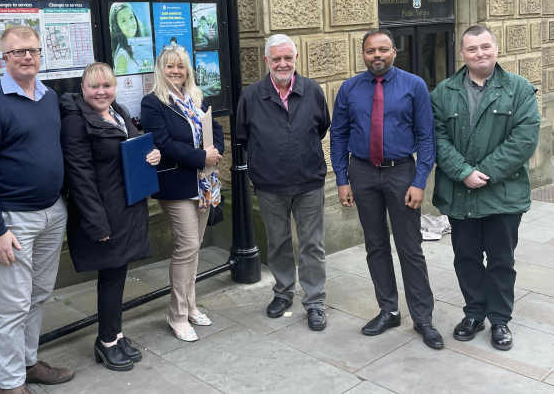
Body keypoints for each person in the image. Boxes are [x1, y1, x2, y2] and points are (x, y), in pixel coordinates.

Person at [0, 26, 74, 394]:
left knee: (40, 293)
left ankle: (29, 363)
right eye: (18, 52)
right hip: (13, 220)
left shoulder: (48, 96)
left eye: (32, 50)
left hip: (52, 212)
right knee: (14, 304)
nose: (27, 57)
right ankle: (11, 384)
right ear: (4, 58)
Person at [330, 27, 442, 349]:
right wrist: (341, 178)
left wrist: (420, 181)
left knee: (410, 247)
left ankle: (423, 318)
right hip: (362, 174)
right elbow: (338, 136)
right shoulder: (349, 89)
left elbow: (426, 137)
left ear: (394, 51)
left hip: (401, 173)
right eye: (370, 51)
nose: (376, 55)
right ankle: (389, 309)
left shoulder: (414, 86)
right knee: (375, 245)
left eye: (383, 49)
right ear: (363, 54)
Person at [431, 25, 540, 351]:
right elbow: (436, 137)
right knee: (465, 258)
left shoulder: (519, 89)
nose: (480, 53)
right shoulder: (443, 92)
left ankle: (500, 320)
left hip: (503, 194)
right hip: (460, 193)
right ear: (462, 54)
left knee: (501, 260)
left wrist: (485, 172)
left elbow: (524, 139)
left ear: (496, 48)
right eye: (472, 49)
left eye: (485, 46)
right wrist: (463, 171)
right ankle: (474, 313)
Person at [60, 63, 161, 371]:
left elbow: (129, 147)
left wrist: (151, 154)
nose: (101, 92)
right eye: (94, 86)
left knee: (118, 275)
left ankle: (116, 334)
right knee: (111, 276)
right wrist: (96, 222)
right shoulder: (76, 123)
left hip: (125, 206)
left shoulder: (115, 110)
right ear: (83, 88)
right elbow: (80, 177)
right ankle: (105, 343)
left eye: (107, 85)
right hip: (104, 211)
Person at [236, 34, 330, 331]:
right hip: (270, 185)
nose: (282, 63)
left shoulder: (312, 90)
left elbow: (322, 127)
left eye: (287, 57)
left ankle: (315, 302)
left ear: (296, 58)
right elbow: (242, 136)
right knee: (278, 243)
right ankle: (283, 293)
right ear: (266, 61)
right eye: (276, 58)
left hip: (309, 182)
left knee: (312, 245)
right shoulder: (251, 96)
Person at [140, 45, 224, 341]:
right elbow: (163, 143)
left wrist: (216, 152)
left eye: (181, 66)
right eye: (170, 66)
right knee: (186, 247)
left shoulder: (195, 98)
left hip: (204, 184)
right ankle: (176, 315)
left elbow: (215, 129)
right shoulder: (153, 103)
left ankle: (189, 305)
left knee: (194, 247)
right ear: (160, 70)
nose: (176, 71)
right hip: (176, 185)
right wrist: (202, 157)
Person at [109, 3, 147, 75]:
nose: (130, 24)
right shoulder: (122, 55)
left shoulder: (137, 45)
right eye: (123, 21)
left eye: (131, 17)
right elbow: (118, 83)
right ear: (117, 26)